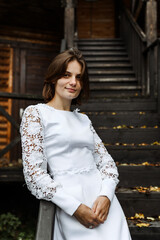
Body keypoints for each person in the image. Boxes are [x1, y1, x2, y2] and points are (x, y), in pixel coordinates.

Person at [20, 48, 132, 240]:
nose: (74, 82)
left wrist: (106, 196)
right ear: (54, 78)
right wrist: (75, 208)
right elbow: (34, 174)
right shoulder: (36, 114)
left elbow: (108, 165)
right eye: (67, 75)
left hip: (105, 206)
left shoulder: (83, 120)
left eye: (79, 78)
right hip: (70, 205)